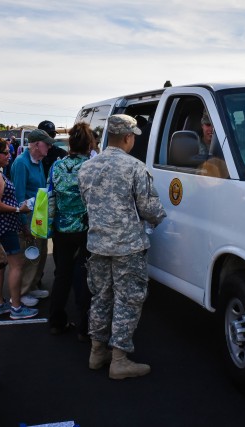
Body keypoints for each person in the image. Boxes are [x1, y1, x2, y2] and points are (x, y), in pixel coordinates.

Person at [78, 114, 166, 379]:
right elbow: (150, 208)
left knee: (101, 297)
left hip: (97, 245)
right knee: (128, 300)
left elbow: (86, 204)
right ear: (128, 137)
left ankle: (97, 352)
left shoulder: (87, 168)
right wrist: (159, 218)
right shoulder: (135, 168)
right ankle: (119, 360)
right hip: (128, 247)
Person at [0, 138, 38, 319]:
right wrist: (18, 209)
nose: (9, 155)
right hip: (4, 226)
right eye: (5, 152)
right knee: (16, 264)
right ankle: (16, 307)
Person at [48, 123, 94, 339]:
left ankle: (56, 321)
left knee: (61, 275)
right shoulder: (92, 166)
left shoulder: (57, 166)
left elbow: (51, 195)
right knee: (84, 276)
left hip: (61, 228)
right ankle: (84, 328)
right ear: (89, 143)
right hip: (85, 228)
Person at [10, 129, 55, 306]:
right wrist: (23, 225)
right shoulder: (22, 163)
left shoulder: (38, 161)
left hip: (39, 218)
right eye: (47, 144)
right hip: (28, 219)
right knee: (29, 257)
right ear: (36, 145)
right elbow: (19, 195)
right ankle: (23, 292)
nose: (50, 147)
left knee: (40, 254)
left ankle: (32, 286)